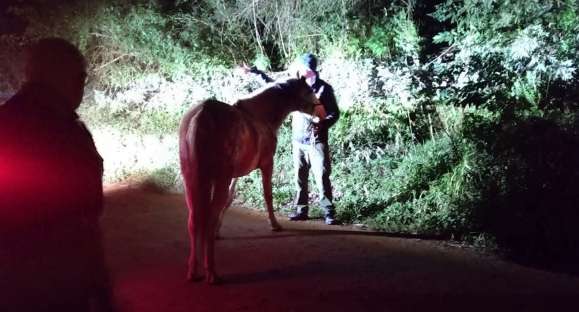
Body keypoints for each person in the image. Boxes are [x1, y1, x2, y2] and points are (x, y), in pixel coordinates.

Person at [0, 38, 114, 311]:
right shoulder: (70, 135)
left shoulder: (5, 124)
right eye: (80, 78)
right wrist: (100, 284)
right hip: (58, 284)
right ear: (67, 78)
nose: (82, 87)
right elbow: (85, 219)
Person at [243, 53, 340, 225]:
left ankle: (328, 212)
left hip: (317, 141)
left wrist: (324, 124)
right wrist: (256, 72)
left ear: (310, 69)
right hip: (298, 141)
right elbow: (273, 86)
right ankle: (301, 210)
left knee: (322, 176)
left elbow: (334, 113)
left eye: (304, 68)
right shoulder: (295, 87)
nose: (301, 71)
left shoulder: (324, 89)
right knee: (299, 177)